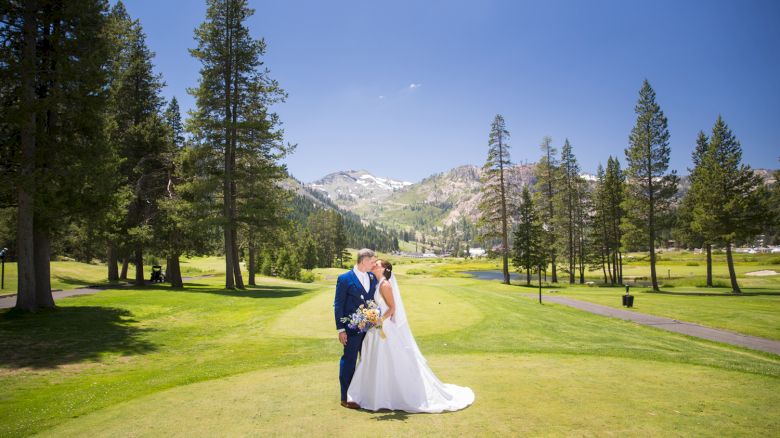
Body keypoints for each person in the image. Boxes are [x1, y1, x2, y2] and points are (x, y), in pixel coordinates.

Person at [346, 259, 475, 412]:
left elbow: (392, 308)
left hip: (384, 328)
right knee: (373, 359)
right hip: (378, 327)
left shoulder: (385, 285)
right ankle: (371, 394)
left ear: (384, 269)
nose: (374, 265)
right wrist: (370, 317)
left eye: (377, 264)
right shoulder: (378, 283)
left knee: (386, 358)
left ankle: (388, 395)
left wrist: (378, 320)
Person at [333, 248, 377, 409]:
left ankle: (363, 394)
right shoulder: (344, 279)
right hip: (351, 330)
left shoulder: (372, 277)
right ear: (364, 260)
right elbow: (338, 305)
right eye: (372, 261)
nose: (374, 264)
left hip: (370, 330)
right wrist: (341, 329)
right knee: (349, 361)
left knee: (366, 362)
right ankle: (346, 397)